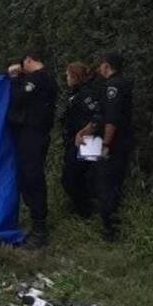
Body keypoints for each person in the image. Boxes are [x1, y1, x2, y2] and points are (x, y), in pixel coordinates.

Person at [6, 51, 58, 248]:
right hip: (33, 134)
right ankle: (37, 224)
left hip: (33, 135)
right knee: (29, 177)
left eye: (23, 63)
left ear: (28, 60)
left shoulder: (38, 79)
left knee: (32, 177)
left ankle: (40, 229)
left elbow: (18, 98)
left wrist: (14, 78)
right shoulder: (45, 78)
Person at [95, 53, 134, 242]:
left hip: (115, 144)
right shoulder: (123, 83)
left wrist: (105, 144)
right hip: (123, 142)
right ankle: (113, 226)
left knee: (108, 185)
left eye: (101, 65)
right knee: (114, 184)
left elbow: (111, 119)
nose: (99, 69)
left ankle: (110, 230)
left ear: (107, 66)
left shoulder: (113, 86)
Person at [59, 62, 103, 219]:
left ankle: (87, 211)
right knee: (80, 178)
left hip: (88, 141)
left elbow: (98, 116)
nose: (66, 77)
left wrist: (84, 131)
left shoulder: (86, 94)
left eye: (69, 74)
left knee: (74, 178)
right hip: (76, 141)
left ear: (76, 76)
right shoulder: (76, 93)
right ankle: (85, 210)